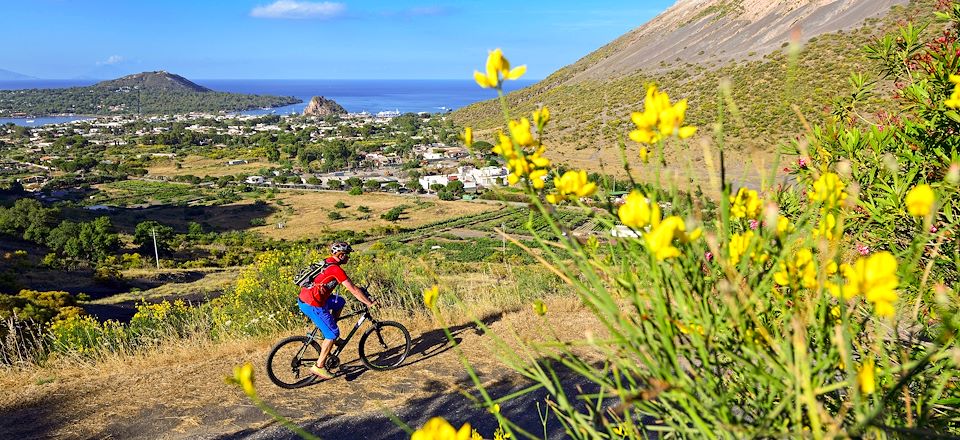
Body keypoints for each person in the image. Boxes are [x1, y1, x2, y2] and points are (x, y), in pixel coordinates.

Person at [297, 241, 376, 379]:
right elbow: (353, 289)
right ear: (340, 255)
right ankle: (319, 366)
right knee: (333, 333)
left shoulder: (327, 262)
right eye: (347, 255)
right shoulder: (336, 269)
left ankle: (330, 331)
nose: (348, 258)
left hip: (308, 299)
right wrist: (368, 302)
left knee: (340, 302)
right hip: (313, 304)